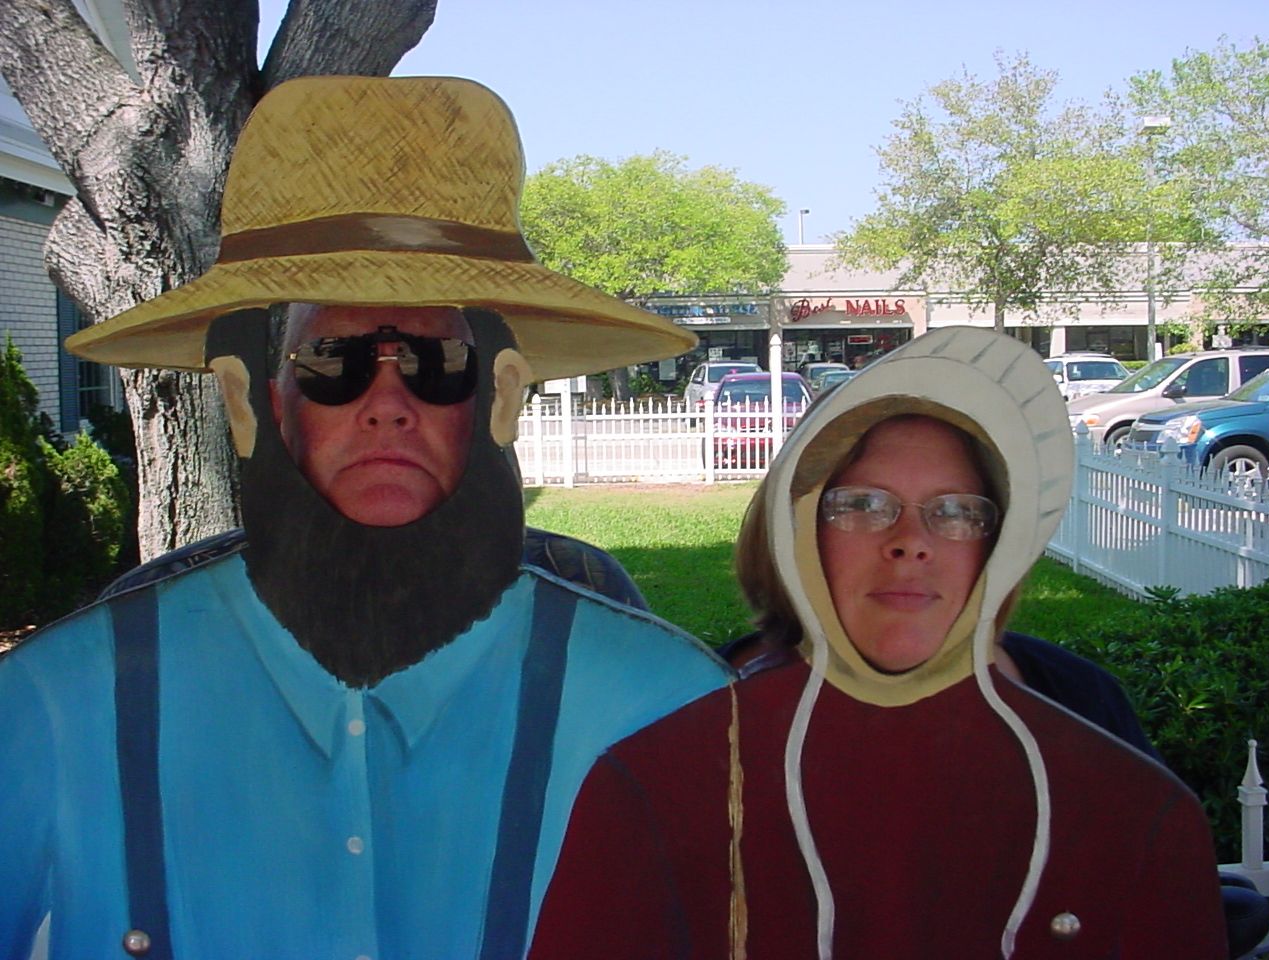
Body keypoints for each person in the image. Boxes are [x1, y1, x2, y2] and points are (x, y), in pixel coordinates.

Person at [0, 76, 731, 959]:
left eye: (435, 360)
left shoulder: (670, 709)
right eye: (335, 360)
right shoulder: (61, 707)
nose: (388, 404)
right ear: (250, 402)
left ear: (499, 396)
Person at [529, 328, 1227, 959]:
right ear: (801, 529)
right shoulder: (657, 786)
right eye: (863, 505)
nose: (910, 543)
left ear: (998, 546)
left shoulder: (1125, 806)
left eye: (955, 512)